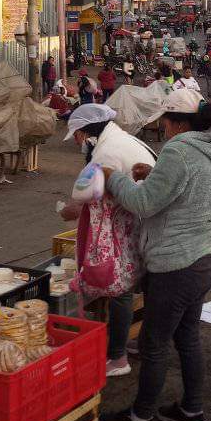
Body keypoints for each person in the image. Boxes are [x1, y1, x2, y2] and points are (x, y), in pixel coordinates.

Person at [97, 88, 211, 421]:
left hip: (174, 267)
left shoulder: (178, 151)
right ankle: (192, 410)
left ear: (175, 124)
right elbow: (187, 191)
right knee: (187, 338)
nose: (165, 129)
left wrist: (115, 178)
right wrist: (152, 174)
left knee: (153, 345)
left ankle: (139, 419)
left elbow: (143, 204)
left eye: (166, 122)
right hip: (204, 259)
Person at [61, 104, 157, 378]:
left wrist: (67, 211)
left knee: (119, 290)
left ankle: (118, 357)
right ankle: (144, 343)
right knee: (141, 281)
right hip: (141, 218)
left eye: (78, 135)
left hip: (131, 222)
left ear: (87, 133)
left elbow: (86, 196)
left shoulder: (106, 152)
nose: (78, 141)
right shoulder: (120, 138)